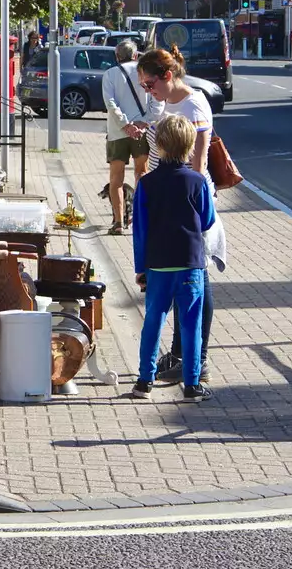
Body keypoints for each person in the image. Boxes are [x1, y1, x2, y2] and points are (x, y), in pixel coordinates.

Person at [137, 44, 225, 383]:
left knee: (196, 285)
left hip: (184, 201)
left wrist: (174, 196)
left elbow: (198, 164)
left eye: (150, 84)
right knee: (182, 291)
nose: (148, 91)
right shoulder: (165, 101)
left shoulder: (194, 104)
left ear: (168, 76)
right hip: (167, 194)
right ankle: (179, 358)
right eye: (144, 85)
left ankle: (195, 360)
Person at [127, 114, 213, 403]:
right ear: (189, 145)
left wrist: (141, 268)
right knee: (191, 325)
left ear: (158, 145)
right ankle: (191, 385)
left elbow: (139, 229)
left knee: (153, 320)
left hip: (158, 264)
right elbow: (207, 220)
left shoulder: (146, 184)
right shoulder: (197, 181)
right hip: (190, 263)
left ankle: (144, 381)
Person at [101, 38, 162, 235]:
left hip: (117, 132)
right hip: (142, 132)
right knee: (142, 175)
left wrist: (126, 125)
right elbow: (157, 102)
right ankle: (139, 220)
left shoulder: (109, 74)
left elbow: (110, 104)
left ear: (117, 56)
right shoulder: (144, 73)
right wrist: (142, 123)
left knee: (116, 178)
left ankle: (118, 222)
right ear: (135, 55)